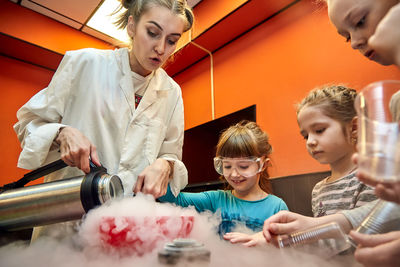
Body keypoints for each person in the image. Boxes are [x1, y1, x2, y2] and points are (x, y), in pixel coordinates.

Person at [13, 0, 194, 240]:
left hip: (129, 231)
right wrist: (62, 132)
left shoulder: (172, 92)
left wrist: (166, 165)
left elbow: (170, 153)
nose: (161, 48)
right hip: (67, 228)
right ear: (131, 26)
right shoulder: (84, 64)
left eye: (172, 40)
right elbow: (27, 126)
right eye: (152, 33)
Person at [263, 1, 400, 265]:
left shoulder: (366, 177)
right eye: (346, 36)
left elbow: (378, 225)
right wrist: (299, 235)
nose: (354, 43)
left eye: (360, 21)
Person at [158, 120, 288, 238]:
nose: (234, 174)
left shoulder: (276, 207)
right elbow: (170, 198)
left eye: (243, 166)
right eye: (227, 166)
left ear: (263, 165)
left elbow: (287, 250)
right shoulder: (215, 200)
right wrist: (164, 164)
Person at [296, 85, 376, 217]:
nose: (310, 141)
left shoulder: (370, 179)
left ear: (354, 127)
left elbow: (367, 233)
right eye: (305, 136)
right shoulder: (318, 190)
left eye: (319, 130)